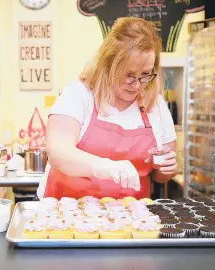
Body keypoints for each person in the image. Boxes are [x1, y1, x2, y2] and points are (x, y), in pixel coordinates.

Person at [38, 17, 178, 200]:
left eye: (145, 75)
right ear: (108, 65)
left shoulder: (156, 106)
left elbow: (160, 175)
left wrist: (167, 170)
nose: (136, 84)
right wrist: (106, 167)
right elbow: (58, 151)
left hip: (130, 216)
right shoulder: (79, 95)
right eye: (129, 75)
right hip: (65, 211)